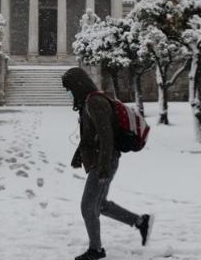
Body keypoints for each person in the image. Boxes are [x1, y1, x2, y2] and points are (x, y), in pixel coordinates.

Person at [62, 67, 153, 260]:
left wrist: (102, 168)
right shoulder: (88, 102)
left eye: (69, 88)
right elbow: (91, 136)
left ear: (78, 85)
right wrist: (79, 156)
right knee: (100, 205)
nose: (69, 93)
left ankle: (96, 250)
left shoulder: (95, 102)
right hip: (102, 160)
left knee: (88, 206)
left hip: (104, 161)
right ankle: (140, 222)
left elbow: (106, 137)